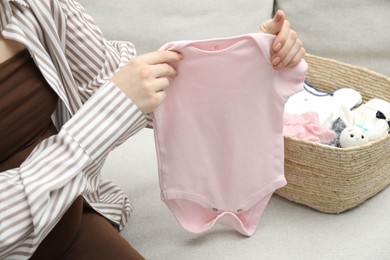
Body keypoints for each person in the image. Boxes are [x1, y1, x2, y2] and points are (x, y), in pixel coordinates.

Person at [0, 0, 305, 259]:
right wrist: (110, 111)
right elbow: (116, 98)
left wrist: (252, 62)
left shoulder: (33, 6)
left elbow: (116, 80)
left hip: (71, 220)